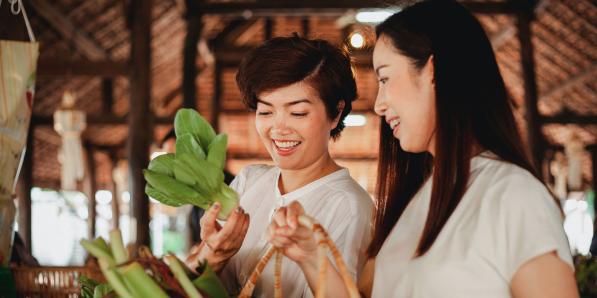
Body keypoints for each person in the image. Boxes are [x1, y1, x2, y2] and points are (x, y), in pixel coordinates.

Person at [266, 1, 578, 297]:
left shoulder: (512, 194)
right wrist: (312, 257)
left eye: (385, 78)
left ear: (433, 72)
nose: (379, 104)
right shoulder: (415, 199)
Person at [185, 35, 373, 297]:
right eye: (265, 112)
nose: (279, 128)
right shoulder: (249, 181)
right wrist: (212, 252)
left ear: (336, 113)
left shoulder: (349, 207)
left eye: (297, 113)